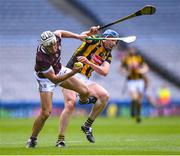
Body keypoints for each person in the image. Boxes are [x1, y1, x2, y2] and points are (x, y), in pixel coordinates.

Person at [26, 29, 97, 148]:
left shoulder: (56, 38)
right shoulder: (41, 58)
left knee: (85, 91)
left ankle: (83, 100)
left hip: (59, 69)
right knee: (46, 113)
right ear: (44, 45)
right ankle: (32, 139)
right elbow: (54, 80)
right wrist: (74, 71)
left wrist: (78, 36)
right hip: (46, 79)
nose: (54, 48)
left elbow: (60, 32)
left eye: (54, 44)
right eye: (50, 46)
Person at [56, 27, 120, 147]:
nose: (114, 43)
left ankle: (87, 125)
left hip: (85, 80)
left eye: (116, 41)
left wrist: (89, 63)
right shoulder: (95, 40)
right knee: (70, 104)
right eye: (113, 40)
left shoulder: (108, 55)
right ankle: (60, 139)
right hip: (70, 74)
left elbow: (105, 72)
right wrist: (90, 32)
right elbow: (83, 35)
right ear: (106, 38)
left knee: (104, 96)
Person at [120, 47, 149, 123]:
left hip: (140, 80)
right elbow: (121, 68)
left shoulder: (139, 58)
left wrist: (141, 71)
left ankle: (138, 115)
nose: (132, 51)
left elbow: (145, 67)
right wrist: (126, 73)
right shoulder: (126, 59)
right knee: (134, 97)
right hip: (131, 81)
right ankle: (133, 111)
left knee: (139, 101)